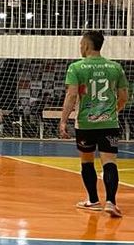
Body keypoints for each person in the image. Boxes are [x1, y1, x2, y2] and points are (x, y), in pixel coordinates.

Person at [59, 30, 128, 217]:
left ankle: (93, 200)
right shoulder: (116, 68)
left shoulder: (76, 68)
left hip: (86, 124)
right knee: (110, 162)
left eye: (81, 44)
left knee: (87, 161)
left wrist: (63, 121)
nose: (80, 47)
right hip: (109, 124)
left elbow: (71, 95)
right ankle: (111, 202)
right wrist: (113, 112)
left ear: (87, 45)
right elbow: (124, 97)